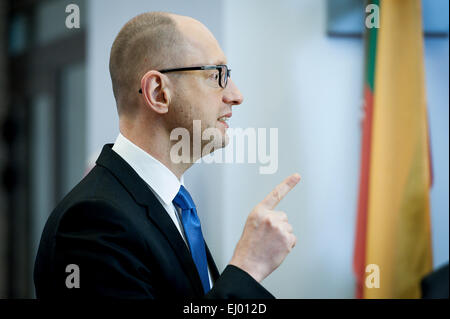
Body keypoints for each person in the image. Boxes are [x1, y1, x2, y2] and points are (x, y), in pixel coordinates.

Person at [34, 12, 300, 299]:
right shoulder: (92, 222)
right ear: (158, 92)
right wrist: (248, 268)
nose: (236, 95)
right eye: (216, 76)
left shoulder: (175, 205)